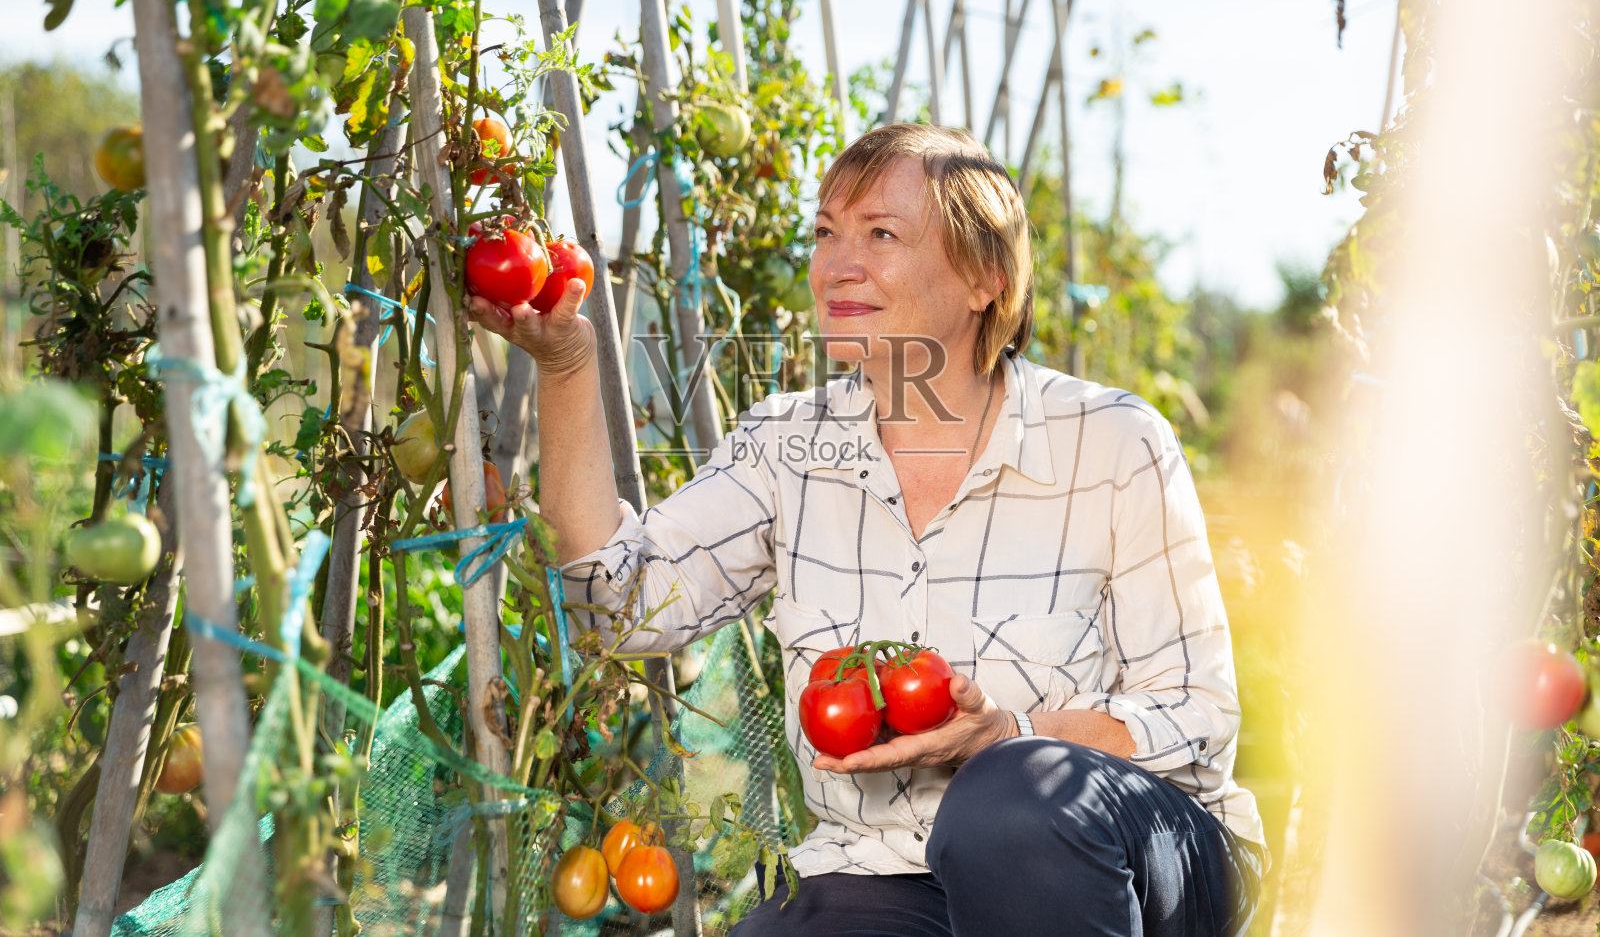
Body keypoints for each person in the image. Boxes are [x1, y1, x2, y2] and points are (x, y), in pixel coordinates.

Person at [468, 124, 1268, 936]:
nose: (836, 265)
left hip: (1131, 852)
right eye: (826, 233)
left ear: (985, 277)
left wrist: (1011, 734)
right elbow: (614, 606)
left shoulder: (1112, 442)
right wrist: (567, 367)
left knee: (1005, 801)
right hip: (886, 865)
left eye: (881, 233)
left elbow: (1196, 717)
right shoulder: (786, 447)